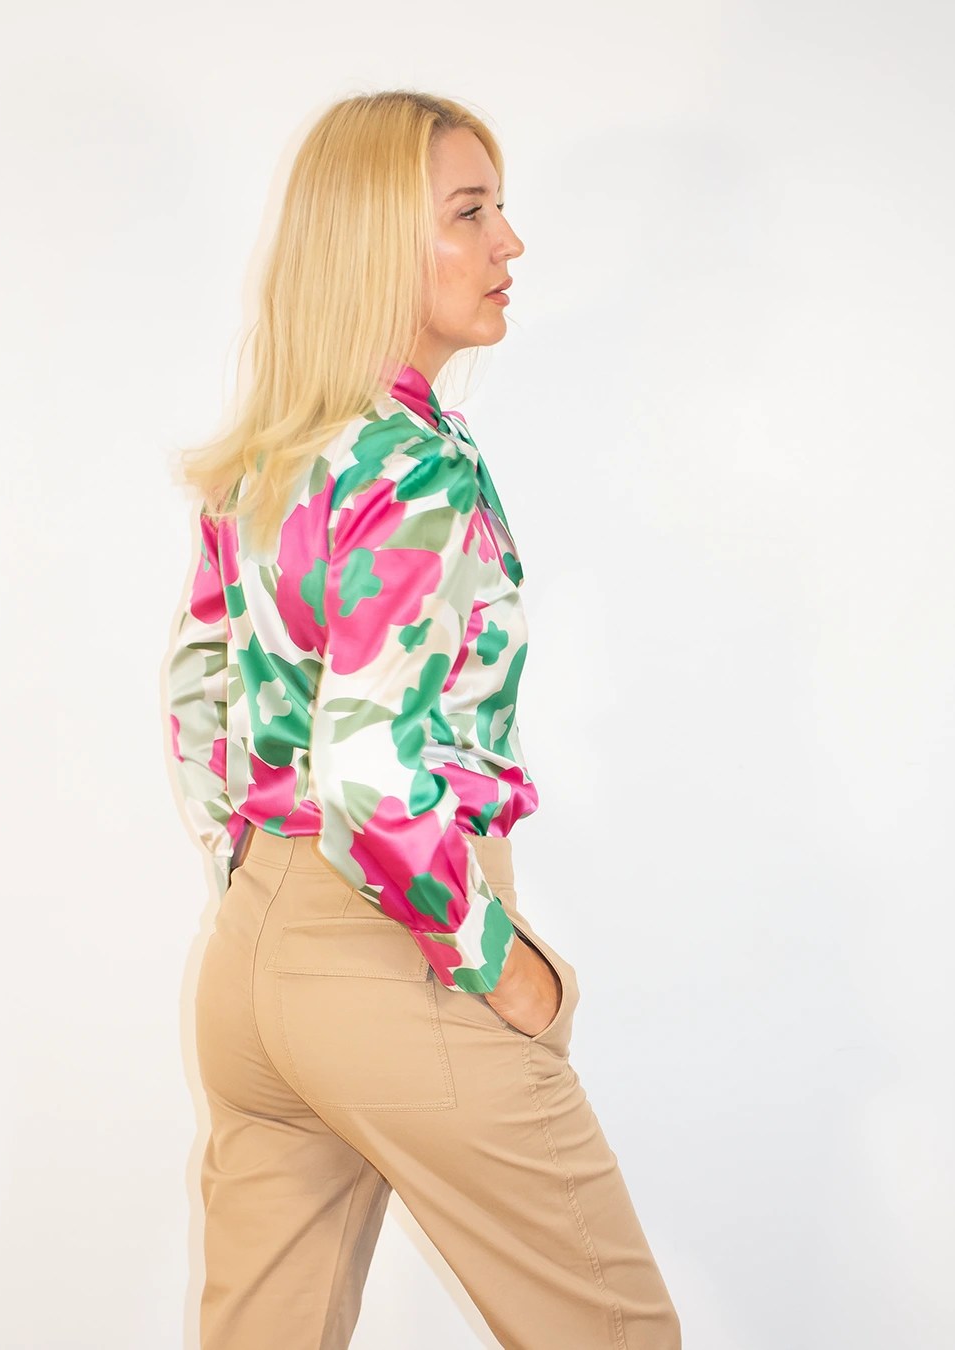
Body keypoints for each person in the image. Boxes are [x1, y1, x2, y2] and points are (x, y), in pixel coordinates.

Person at [165, 89, 681, 1350]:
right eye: (471, 212)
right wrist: (499, 962)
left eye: (499, 209)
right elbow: (366, 767)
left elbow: (198, 692)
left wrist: (254, 881)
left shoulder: (271, 453)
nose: (510, 242)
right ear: (378, 246)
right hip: (396, 950)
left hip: (252, 963)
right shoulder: (417, 468)